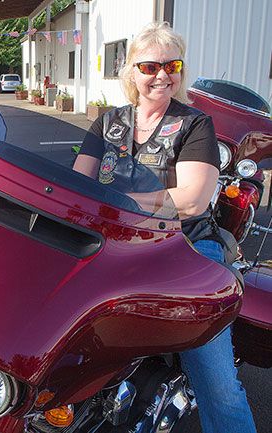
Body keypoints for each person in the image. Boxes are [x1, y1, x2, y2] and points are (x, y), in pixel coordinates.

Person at [73, 22, 256, 433]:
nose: (161, 75)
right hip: (114, 243)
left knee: (216, 380)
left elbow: (191, 200)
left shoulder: (195, 124)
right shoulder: (107, 124)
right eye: (150, 65)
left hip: (186, 247)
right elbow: (78, 187)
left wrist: (115, 200)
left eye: (171, 64)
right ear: (131, 72)